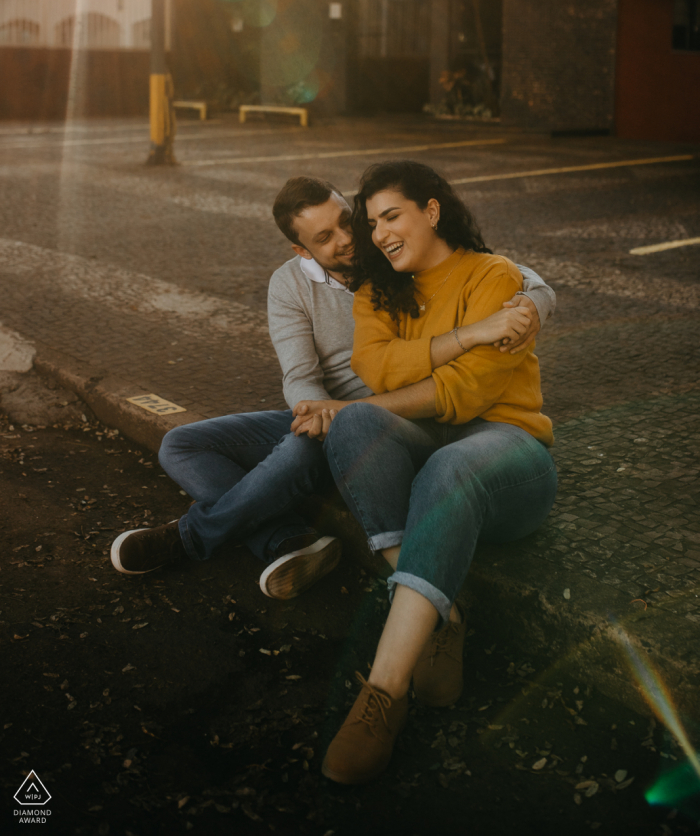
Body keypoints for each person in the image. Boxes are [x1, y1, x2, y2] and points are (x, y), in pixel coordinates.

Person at [109, 175, 555, 603]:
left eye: (346, 220)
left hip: (400, 419)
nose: (346, 238)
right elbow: (299, 375)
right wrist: (316, 410)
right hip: (330, 412)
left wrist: (536, 299)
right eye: (325, 238)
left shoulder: (392, 249)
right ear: (301, 249)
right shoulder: (288, 285)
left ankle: (190, 538)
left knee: (299, 451)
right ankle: (288, 541)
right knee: (180, 444)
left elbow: (493, 267)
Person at [295, 160, 558, 785]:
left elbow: (465, 395)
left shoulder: (496, 277)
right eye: (373, 223)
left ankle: (382, 695)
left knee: (437, 454)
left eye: (392, 216)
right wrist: (471, 333)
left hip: (511, 452)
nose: (380, 234)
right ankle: (444, 609)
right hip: (433, 446)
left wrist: (354, 402)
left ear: (431, 211)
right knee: (355, 428)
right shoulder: (376, 293)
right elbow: (377, 366)